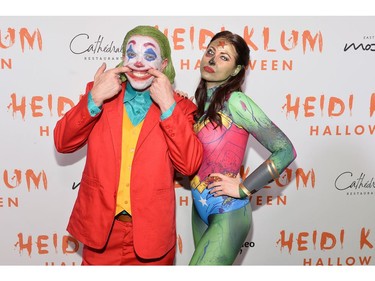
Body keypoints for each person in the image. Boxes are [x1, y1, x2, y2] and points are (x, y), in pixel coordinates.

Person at [54, 25, 203, 265]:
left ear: (164, 65)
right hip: (100, 231)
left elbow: (188, 166)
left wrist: (168, 106)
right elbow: (62, 142)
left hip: (152, 237)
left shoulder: (181, 108)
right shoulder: (101, 93)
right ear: (123, 59)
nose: (139, 63)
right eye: (131, 54)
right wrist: (95, 98)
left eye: (149, 56)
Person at [189, 30, 297, 265]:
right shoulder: (197, 103)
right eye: (210, 52)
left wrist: (244, 188)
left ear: (237, 70)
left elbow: (285, 150)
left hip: (228, 211)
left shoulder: (236, 102)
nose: (212, 59)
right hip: (199, 208)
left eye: (224, 57)